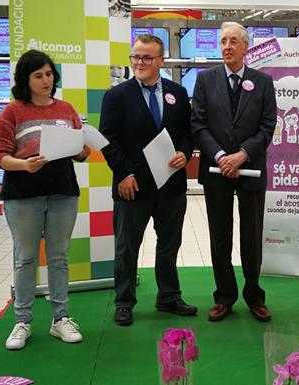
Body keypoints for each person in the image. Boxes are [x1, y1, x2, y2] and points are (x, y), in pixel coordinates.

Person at [0, 50, 90, 350]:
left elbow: (81, 151)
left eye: (49, 74)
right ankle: (22, 321)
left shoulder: (66, 108)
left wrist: (81, 149)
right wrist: (24, 164)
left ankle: (61, 319)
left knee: (59, 257)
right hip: (23, 194)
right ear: (26, 79)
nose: (46, 80)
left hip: (62, 190)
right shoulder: (12, 112)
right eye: (38, 75)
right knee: (25, 259)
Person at [99, 34, 196, 326]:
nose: (139, 63)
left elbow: (186, 133)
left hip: (170, 184)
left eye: (146, 58)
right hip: (132, 186)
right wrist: (123, 174)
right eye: (135, 57)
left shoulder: (178, 93)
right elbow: (108, 141)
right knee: (127, 247)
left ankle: (168, 296)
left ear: (161, 61)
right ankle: (124, 302)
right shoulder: (116, 95)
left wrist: (184, 152)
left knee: (169, 244)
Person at [190, 22, 277, 323]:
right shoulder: (205, 79)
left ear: (245, 47)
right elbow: (198, 123)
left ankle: (255, 296)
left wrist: (241, 155)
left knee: (251, 236)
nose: (227, 46)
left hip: (250, 168)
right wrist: (220, 156)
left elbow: (267, 127)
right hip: (216, 169)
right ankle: (224, 297)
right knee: (219, 235)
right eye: (223, 41)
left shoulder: (263, 82)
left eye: (233, 41)